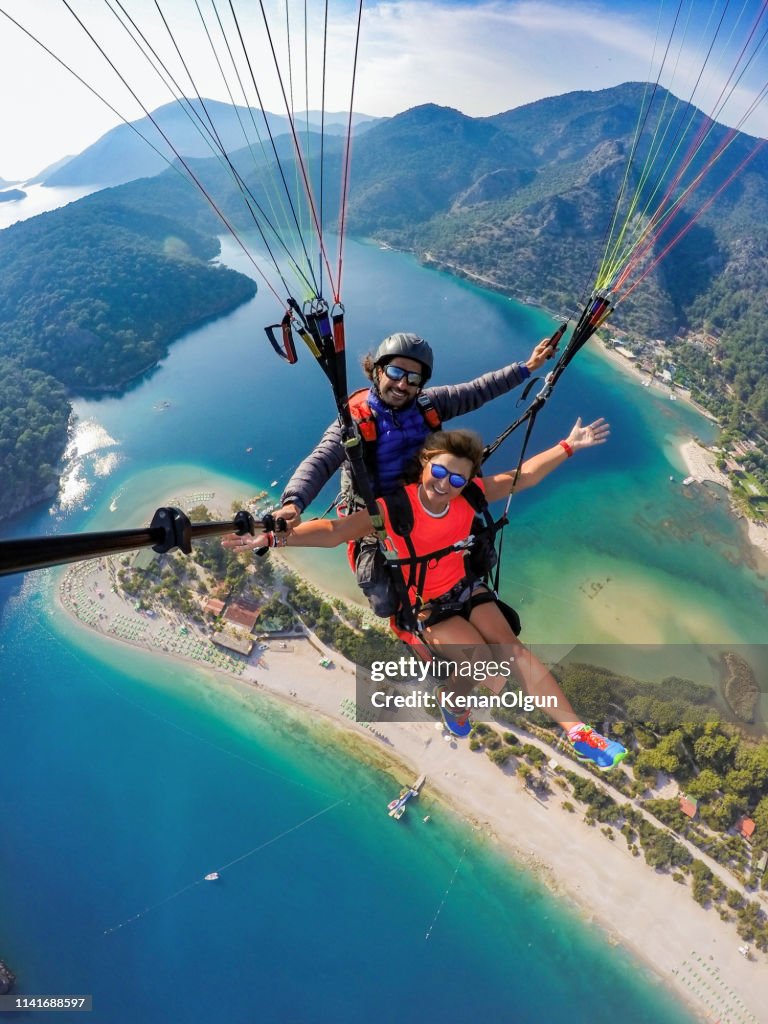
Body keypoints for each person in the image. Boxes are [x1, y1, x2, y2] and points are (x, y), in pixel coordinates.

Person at [226, 418, 627, 770]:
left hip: (465, 586)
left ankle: (577, 731)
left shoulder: (469, 495)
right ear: (425, 464)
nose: (445, 485)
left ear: (468, 482)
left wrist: (569, 446)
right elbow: (334, 532)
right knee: (489, 670)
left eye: (457, 480)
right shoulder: (394, 508)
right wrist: (275, 538)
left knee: (512, 649)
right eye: (439, 472)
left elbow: (524, 477)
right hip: (425, 606)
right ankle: (452, 702)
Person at [276, 331, 557, 528]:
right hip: (380, 515)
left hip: (430, 500)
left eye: (413, 378)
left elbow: (478, 390)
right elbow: (322, 460)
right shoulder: (355, 420)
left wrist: (528, 367)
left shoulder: (428, 403)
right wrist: (293, 503)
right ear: (377, 371)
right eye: (396, 373)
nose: (402, 385)